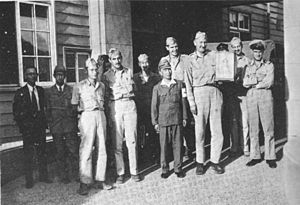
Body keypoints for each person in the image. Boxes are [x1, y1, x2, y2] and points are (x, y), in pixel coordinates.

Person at [185, 31, 225, 175]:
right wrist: (191, 102)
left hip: (215, 92)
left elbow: (225, 68)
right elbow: (188, 83)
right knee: (200, 131)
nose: (203, 44)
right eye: (200, 42)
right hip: (199, 94)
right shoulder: (189, 60)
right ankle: (200, 162)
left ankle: (215, 161)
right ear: (194, 42)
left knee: (217, 130)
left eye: (205, 42)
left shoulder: (213, 55)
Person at [72, 58, 112, 195]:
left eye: (96, 69)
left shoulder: (102, 86)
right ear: (86, 71)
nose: (95, 72)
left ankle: (100, 179)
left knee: (102, 147)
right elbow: (74, 106)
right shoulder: (79, 86)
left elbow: (105, 102)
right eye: (92, 70)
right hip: (87, 116)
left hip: (100, 115)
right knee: (86, 148)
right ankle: (84, 181)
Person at [103, 48, 141, 184]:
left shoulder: (129, 71)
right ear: (110, 60)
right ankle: (121, 173)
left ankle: (134, 171)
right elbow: (106, 96)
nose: (117, 61)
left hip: (129, 104)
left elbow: (135, 89)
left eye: (119, 58)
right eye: (114, 59)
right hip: (116, 106)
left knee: (132, 140)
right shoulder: (106, 76)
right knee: (117, 142)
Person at [12, 67, 52, 188]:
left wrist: (45, 124)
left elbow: (44, 107)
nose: (32, 76)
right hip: (28, 128)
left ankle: (43, 176)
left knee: (42, 152)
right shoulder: (20, 92)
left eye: (34, 74)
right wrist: (23, 127)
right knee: (28, 154)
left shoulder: (40, 90)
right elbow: (16, 112)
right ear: (25, 76)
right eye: (30, 74)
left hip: (39, 126)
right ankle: (29, 180)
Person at [243, 39, 277, 168]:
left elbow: (269, 82)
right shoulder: (248, 66)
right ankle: (255, 156)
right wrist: (258, 79)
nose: (257, 54)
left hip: (265, 96)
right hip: (251, 97)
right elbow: (245, 82)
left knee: (268, 127)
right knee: (253, 128)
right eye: (255, 51)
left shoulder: (269, 65)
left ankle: (270, 156)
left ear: (263, 52)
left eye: (260, 52)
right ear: (252, 52)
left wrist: (255, 83)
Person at [151, 59, 187, 178]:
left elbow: (183, 102)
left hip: (177, 119)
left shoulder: (180, 84)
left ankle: (178, 168)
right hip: (163, 121)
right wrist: (155, 122)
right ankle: (165, 169)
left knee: (178, 144)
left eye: (169, 69)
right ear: (160, 72)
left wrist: (185, 117)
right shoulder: (157, 88)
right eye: (165, 70)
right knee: (164, 146)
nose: (168, 72)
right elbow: (154, 106)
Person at [160, 37, 195, 159]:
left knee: (185, 122)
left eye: (175, 46)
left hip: (182, 93)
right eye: (171, 47)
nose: (174, 49)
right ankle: (176, 151)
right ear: (167, 48)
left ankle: (188, 149)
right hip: (170, 96)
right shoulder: (164, 60)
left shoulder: (185, 59)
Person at [45, 65, 79, 184]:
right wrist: (50, 124)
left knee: (73, 150)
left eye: (62, 75)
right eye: (58, 75)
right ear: (54, 76)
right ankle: (63, 175)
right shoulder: (49, 92)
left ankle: (76, 174)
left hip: (69, 124)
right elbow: (47, 110)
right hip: (56, 126)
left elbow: (75, 107)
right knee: (59, 152)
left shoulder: (71, 90)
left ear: (65, 76)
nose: (60, 77)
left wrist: (74, 122)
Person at [133, 54, 161, 164]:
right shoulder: (135, 78)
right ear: (139, 64)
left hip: (152, 110)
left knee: (153, 134)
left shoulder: (156, 77)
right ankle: (142, 158)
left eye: (146, 62)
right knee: (140, 135)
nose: (144, 65)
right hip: (140, 111)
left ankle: (156, 156)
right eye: (142, 63)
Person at [229, 37, 250, 156]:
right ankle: (234, 147)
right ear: (231, 48)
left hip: (244, 94)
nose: (237, 48)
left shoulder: (247, 60)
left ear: (241, 46)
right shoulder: (228, 60)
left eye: (238, 46)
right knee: (233, 121)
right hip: (232, 94)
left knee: (244, 121)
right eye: (234, 46)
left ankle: (245, 147)